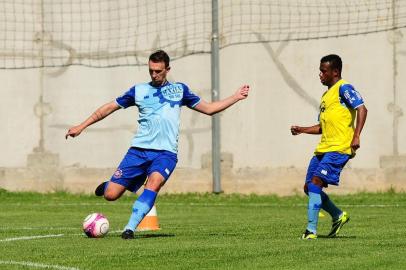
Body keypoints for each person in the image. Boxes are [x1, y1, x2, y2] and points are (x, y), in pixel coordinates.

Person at [65, 50, 250, 239]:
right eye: (151, 71)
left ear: (167, 69)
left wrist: (235, 96)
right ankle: (108, 186)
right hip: (138, 151)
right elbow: (109, 108)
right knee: (111, 195)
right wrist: (82, 125)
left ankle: (129, 228)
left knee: (154, 183)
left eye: (158, 71)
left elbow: (209, 109)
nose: (154, 75)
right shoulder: (138, 91)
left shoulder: (180, 90)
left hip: (165, 154)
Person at [290, 54, 367, 240]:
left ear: (335, 71)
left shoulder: (344, 88)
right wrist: (302, 129)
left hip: (339, 147)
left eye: (323, 71)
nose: (320, 74)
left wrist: (357, 135)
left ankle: (311, 231)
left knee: (316, 183)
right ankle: (338, 215)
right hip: (323, 148)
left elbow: (362, 108)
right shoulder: (326, 96)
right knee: (309, 187)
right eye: (320, 71)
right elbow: (322, 127)